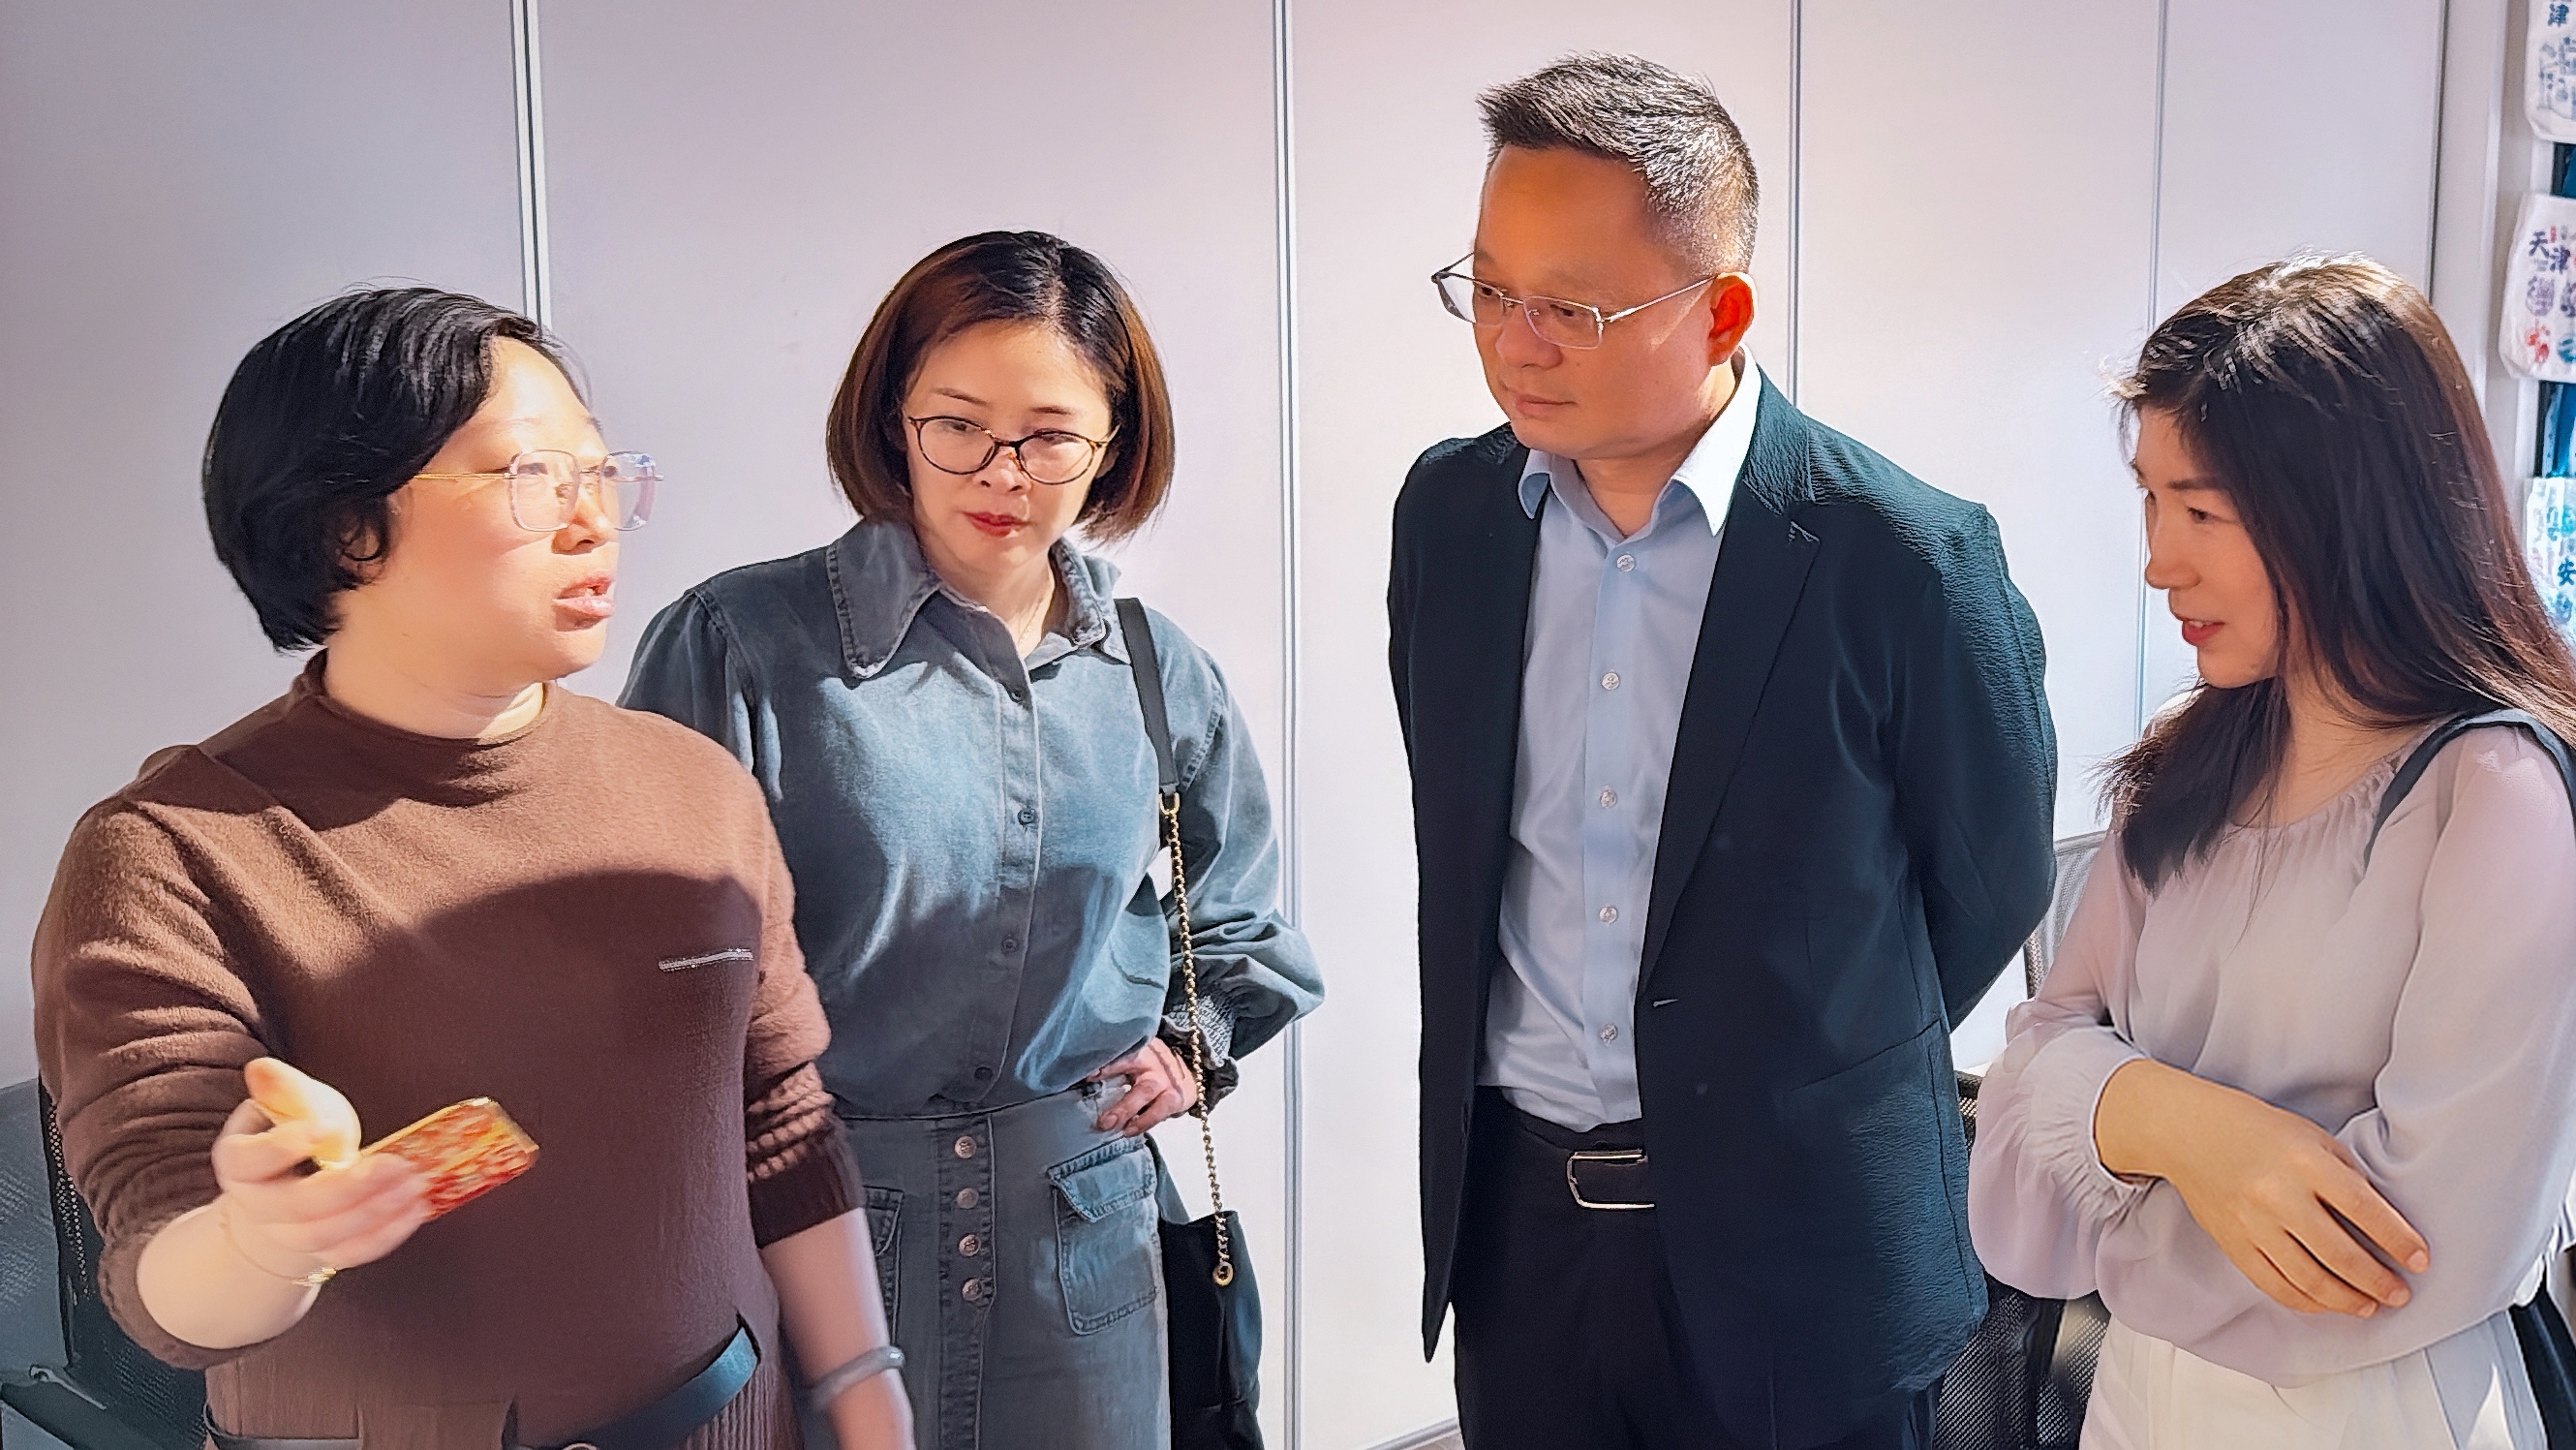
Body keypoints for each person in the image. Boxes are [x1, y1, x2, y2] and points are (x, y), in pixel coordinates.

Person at [29, 289, 911, 1448]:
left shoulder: (695, 789)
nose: (593, 520)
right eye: (530, 476)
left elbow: (781, 1125)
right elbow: (162, 1267)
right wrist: (261, 1242)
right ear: (348, 529)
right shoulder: (173, 849)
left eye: (602, 475)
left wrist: (865, 1392)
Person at [1387, 52, 2056, 1450]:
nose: (1514, 344)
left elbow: (1988, 886)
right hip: (1522, 1237)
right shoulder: (1451, 517)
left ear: (1721, 310)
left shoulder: (1904, 557)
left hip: (1802, 1252)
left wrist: (1793, 1054)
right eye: (1488, 290)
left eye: (1571, 308)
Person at [622, 230, 1323, 1450]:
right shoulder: (738, 644)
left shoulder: (1155, 669)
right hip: (822, 1227)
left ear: (1112, 443)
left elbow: (1242, 922)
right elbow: (647, 966)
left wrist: (1187, 1040)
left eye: (1049, 436)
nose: (1002, 472)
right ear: (894, 417)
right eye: (958, 424)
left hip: (1081, 1238)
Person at [1968, 257, 2576, 1449]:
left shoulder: (2492, 793)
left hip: (2375, 1410)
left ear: (2349, 510)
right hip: (2135, 1393)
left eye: (2201, 512)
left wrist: (2105, 1138)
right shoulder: (2185, 766)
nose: (2159, 560)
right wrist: (2182, 1128)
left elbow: (2407, 1248)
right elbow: (2018, 1103)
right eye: (2149, 501)